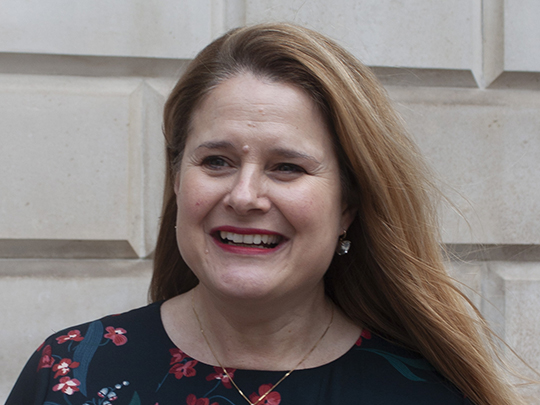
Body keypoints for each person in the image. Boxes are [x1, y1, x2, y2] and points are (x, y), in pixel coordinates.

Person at [7, 23, 526, 405]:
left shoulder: (425, 395)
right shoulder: (71, 371)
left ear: (347, 205)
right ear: (176, 180)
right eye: (217, 161)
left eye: (286, 167)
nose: (245, 195)